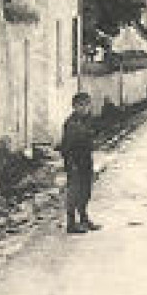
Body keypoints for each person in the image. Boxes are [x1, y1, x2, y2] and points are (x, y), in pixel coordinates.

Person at [59, 91, 101, 234]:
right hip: (74, 162)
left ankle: (84, 218)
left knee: (86, 191)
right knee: (74, 192)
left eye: (87, 105)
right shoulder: (71, 123)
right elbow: (66, 147)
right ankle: (71, 224)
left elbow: (92, 137)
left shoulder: (87, 120)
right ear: (74, 106)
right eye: (80, 105)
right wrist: (71, 165)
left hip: (85, 159)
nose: (84, 108)